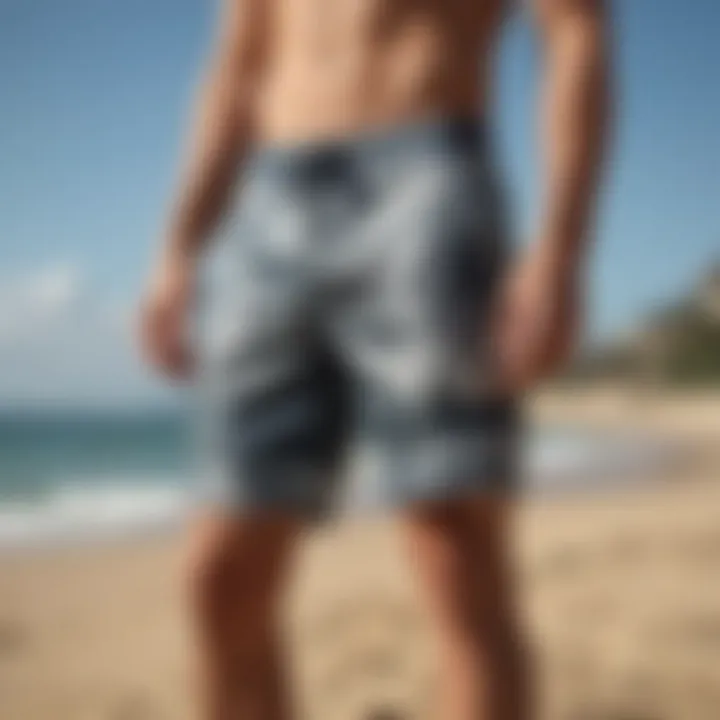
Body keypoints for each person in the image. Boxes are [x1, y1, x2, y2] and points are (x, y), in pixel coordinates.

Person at [139, 0, 610, 717]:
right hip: (272, 195)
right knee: (221, 572)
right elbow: (234, 73)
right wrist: (177, 250)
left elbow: (575, 27)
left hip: (425, 173)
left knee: (452, 548)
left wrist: (561, 248)